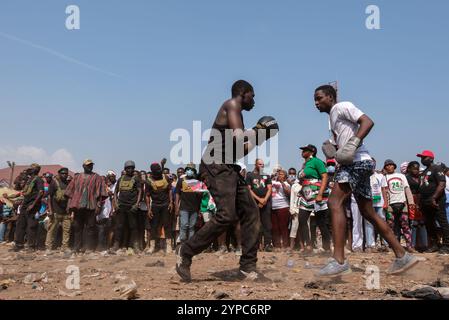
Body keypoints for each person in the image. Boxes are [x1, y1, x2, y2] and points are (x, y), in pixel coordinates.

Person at [175, 80, 278, 282]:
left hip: (228, 166)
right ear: (243, 93)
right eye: (253, 95)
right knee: (226, 215)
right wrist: (259, 131)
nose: (254, 100)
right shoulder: (231, 104)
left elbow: (241, 149)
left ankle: (247, 267)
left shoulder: (237, 117)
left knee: (251, 212)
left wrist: (261, 137)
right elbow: (240, 138)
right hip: (215, 165)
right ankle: (185, 251)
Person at [314, 85, 418, 276]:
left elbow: (367, 122)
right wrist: (334, 150)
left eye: (319, 98)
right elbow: (343, 145)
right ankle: (402, 256)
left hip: (356, 162)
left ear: (331, 96)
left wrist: (352, 144)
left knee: (334, 202)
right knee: (368, 212)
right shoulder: (332, 119)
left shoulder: (341, 106)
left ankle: (339, 261)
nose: (316, 102)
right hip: (360, 163)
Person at [65, 159, 108, 254]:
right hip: (78, 206)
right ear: (83, 166)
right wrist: (69, 205)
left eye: (91, 165)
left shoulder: (97, 177)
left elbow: (101, 194)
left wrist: (98, 206)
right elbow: (70, 193)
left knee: (90, 227)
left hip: (91, 206)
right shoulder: (77, 177)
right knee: (77, 227)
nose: (90, 167)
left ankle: (89, 247)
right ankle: (76, 247)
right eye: (88, 165)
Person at [297, 144, 331, 254]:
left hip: (317, 193)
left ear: (312, 152)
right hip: (306, 194)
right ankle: (308, 246)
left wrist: (320, 193)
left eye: (305, 150)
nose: (302, 151)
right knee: (302, 219)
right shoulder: (305, 164)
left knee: (321, 222)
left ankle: (327, 248)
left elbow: (325, 176)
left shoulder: (317, 161)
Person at [417, 150, 449, 253]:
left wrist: (434, 197)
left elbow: (441, 184)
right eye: (421, 158)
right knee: (429, 223)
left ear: (431, 158)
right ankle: (435, 244)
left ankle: (447, 245)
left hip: (436, 200)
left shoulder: (436, 168)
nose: (422, 160)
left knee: (442, 222)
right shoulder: (424, 172)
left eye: (424, 157)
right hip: (425, 201)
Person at [381, 159, 415, 252]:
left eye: (391, 165)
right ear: (385, 168)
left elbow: (407, 189)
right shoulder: (384, 178)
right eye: (387, 165)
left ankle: (409, 246)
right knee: (390, 225)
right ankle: (393, 245)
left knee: (405, 225)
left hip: (402, 203)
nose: (389, 167)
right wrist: (385, 204)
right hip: (391, 205)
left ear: (394, 166)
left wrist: (411, 202)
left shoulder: (401, 176)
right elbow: (384, 191)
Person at [111, 161, 142, 253]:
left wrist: (136, 204)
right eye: (128, 168)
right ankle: (116, 245)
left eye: (132, 168)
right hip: (121, 206)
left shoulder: (136, 179)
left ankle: (135, 246)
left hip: (131, 207)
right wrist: (116, 204)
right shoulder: (121, 179)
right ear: (125, 169)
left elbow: (140, 191)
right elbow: (115, 192)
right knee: (119, 227)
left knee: (133, 227)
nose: (130, 169)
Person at [12, 164, 45, 252]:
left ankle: (31, 246)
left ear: (36, 170)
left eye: (31, 169)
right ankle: (18, 245)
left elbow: (41, 192)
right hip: (25, 205)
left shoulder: (38, 180)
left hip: (32, 206)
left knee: (31, 226)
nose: (29, 170)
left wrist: (33, 205)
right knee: (20, 225)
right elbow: (19, 187)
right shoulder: (29, 179)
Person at [145, 162, 173, 254]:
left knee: (167, 225)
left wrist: (171, 202)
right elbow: (147, 196)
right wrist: (149, 209)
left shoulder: (165, 177)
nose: (158, 173)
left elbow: (169, 190)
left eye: (159, 171)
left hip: (165, 205)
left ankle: (169, 246)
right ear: (152, 172)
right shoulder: (149, 181)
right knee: (154, 226)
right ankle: (152, 247)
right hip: (155, 205)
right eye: (156, 171)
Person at [246, 159, 273, 252]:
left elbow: (269, 188)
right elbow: (249, 189)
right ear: (255, 164)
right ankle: (256, 245)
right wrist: (259, 199)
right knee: (255, 224)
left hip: (266, 203)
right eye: (260, 164)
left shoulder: (267, 175)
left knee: (267, 224)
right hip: (254, 203)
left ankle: (268, 244)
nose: (262, 165)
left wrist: (264, 199)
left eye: (263, 164)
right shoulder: (250, 175)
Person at [175, 163, 204, 243]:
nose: (189, 171)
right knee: (184, 225)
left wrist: (199, 209)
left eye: (191, 170)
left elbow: (200, 196)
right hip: (184, 207)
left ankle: (190, 244)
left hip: (194, 208)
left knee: (192, 227)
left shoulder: (197, 181)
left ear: (194, 171)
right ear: (186, 170)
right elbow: (177, 194)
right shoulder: (181, 180)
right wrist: (176, 206)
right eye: (188, 169)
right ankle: (182, 243)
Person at [45, 167, 71, 255]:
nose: (65, 175)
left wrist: (69, 208)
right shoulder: (54, 183)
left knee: (66, 230)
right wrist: (51, 210)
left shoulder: (68, 184)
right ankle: (48, 247)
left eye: (66, 173)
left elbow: (69, 197)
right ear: (59, 174)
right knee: (52, 230)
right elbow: (49, 197)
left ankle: (65, 247)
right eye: (63, 173)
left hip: (65, 212)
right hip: (56, 211)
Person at [406, 161, 428, 252]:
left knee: (422, 222)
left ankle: (424, 244)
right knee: (414, 223)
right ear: (409, 169)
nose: (416, 170)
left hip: (421, 200)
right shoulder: (406, 178)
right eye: (414, 168)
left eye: (417, 168)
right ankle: (413, 244)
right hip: (412, 200)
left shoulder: (421, 178)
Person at [270, 170, 291, 250]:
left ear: (285, 176)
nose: (279, 175)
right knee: (275, 227)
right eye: (279, 174)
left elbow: (288, 192)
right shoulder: (272, 182)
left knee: (283, 227)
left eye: (282, 174)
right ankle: (277, 245)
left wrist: (282, 182)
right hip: (273, 207)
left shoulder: (286, 184)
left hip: (283, 206)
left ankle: (285, 245)